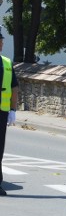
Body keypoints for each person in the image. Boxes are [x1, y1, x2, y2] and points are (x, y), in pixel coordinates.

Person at [1, 31, 20, 197]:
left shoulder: (6, 63)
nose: (0, 44)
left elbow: (14, 88)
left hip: (1, 112)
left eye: (1, 41)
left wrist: (13, 109)